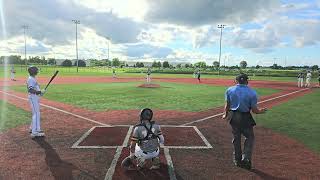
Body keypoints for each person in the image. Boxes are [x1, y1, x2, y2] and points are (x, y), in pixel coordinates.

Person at [222, 73, 267, 170]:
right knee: (249, 137)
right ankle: (246, 159)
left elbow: (227, 105)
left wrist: (225, 114)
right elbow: (254, 110)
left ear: (236, 81)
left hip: (234, 116)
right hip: (245, 117)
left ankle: (237, 160)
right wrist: (261, 111)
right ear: (247, 81)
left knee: (236, 138)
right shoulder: (252, 92)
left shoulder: (229, 90)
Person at [27, 66, 46, 138]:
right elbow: (30, 90)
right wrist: (39, 92)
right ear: (33, 71)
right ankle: (35, 132)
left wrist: (40, 92)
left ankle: (32, 128)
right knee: (37, 114)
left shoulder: (32, 78)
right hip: (33, 97)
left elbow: (34, 89)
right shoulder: (31, 79)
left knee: (35, 113)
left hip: (34, 97)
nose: (37, 71)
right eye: (36, 70)